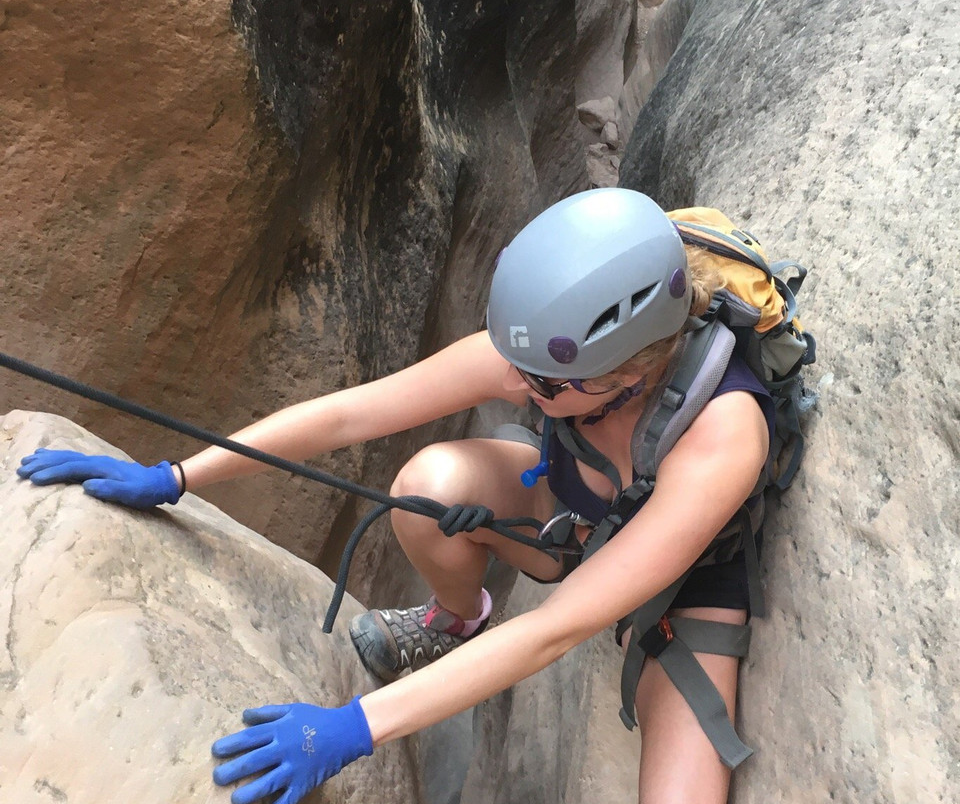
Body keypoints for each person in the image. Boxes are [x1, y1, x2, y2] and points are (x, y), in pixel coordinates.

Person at [16, 188, 774, 804]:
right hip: (566, 514)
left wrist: (355, 727)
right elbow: (357, 412)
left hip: (686, 587)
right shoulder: (551, 354)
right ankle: (454, 621)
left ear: (622, 377)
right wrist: (181, 477)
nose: (512, 383)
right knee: (426, 489)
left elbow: (555, 631)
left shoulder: (722, 434)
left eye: (537, 383)